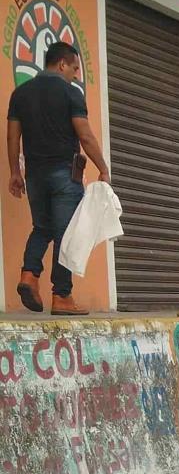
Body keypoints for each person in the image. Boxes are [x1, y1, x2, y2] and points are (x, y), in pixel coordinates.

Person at [7, 41, 110, 315]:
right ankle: (62, 296)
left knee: (42, 227)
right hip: (64, 175)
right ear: (62, 64)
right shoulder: (70, 93)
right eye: (74, 68)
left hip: (36, 177)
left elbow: (12, 136)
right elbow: (85, 135)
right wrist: (103, 167)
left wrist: (15, 173)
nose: (76, 74)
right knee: (66, 235)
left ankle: (28, 275)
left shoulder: (20, 94)